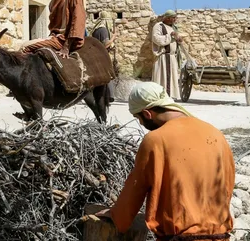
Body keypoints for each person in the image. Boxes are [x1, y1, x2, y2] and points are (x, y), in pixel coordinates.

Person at [95, 82, 235, 240]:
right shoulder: (215, 134)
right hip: (220, 237)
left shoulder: (155, 140)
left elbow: (136, 188)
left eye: (138, 118)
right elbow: (227, 185)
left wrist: (116, 215)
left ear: (147, 114)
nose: (140, 124)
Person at [21, 0, 87, 58]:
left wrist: (66, 47)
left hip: (64, 40)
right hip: (54, 38)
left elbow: (78, 21)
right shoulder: (52, 3)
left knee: (25, 48)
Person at [152, 10, 183, 100]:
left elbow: (176, 41)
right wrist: (170, 36)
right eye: (174, 18)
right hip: (163, 58)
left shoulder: (173, 28)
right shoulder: (158, 26)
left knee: (171, 79)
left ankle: (169, 97)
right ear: (168, 18)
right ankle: (159, 98)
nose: (175, 20)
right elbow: (156, 39)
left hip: (171, 57)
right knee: (162, 78)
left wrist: (179, 39)